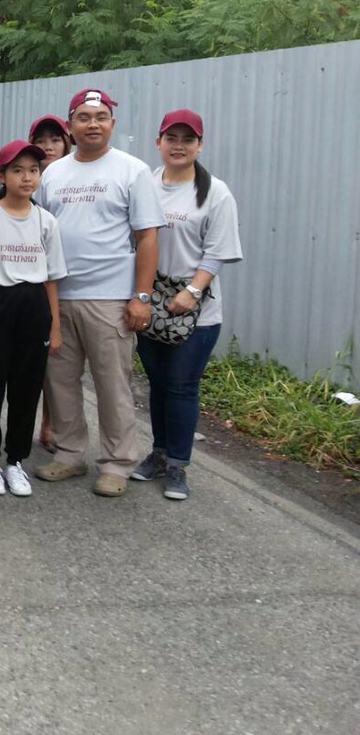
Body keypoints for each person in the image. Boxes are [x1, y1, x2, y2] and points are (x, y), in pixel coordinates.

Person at [36, 88, 165, 497]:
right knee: (60, 382)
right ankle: (70, 454)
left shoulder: (132, 170)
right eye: (84, 117)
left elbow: (147, 237)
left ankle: (116, 463)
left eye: (101, 117)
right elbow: (40, 231)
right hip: (60, 295)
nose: (93, 124)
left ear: (112, 123)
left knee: (113, 385)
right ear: (70, 125)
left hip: (110, 298)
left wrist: (141, 297)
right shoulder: (53, 173)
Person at [132, 109, 242, 501]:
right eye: (171, 138)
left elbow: (218, 250)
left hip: (194, 310)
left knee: (181, 384)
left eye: (188, 139)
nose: (179, 146)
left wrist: (192, 291)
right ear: (158, 142)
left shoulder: (215, 192)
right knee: (158, 382)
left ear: (200, 145)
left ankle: (178, 464)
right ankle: (160, 452)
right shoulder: (145, 183)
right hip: (150, 301)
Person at [0, 141, 67, 497]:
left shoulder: (46, 221)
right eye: (18, 170)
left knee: (27, 387)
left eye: (33, 170)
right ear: (1, 175)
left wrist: (55, 325)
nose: (27, 178)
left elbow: (52, 278)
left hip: (34, 305)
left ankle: (15, 460)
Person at [28, 113, 72, 453]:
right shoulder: (28, 183)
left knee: (60, 362)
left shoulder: (72, 175)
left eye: (55, 140)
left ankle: (51, 422)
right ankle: (41, 423)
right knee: (39, 362)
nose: (48, 146)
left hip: (72, 281)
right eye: (41, 141)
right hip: (35, 282)